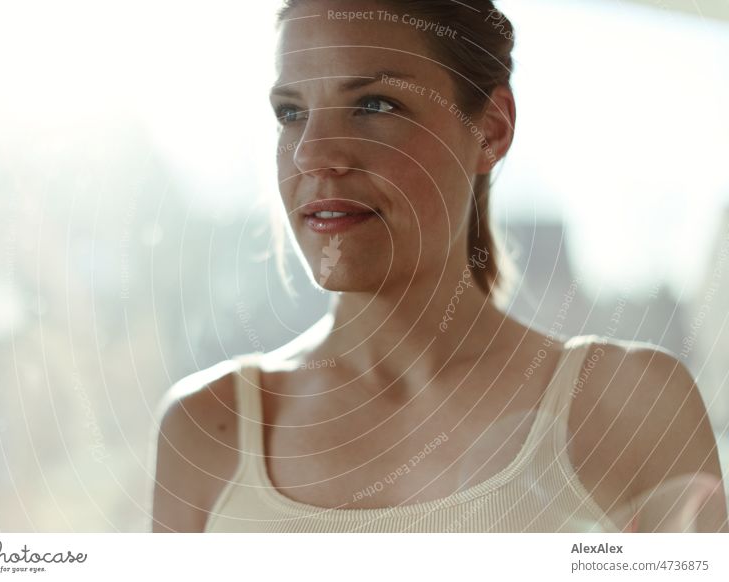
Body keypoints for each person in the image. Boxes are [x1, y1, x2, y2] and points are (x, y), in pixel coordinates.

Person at [151, 0, 728, 532]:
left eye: (375, 104)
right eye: (291, 112)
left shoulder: (630, 404)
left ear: (491, 128)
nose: (312, 152)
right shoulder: (206, 428)